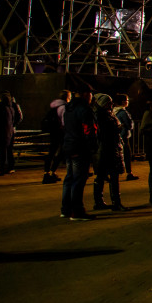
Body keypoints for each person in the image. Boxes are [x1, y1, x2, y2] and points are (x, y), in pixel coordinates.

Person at [60, 84, 98, 220]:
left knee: (69, 178)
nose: (91, 96)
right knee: (78, 179)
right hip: (80, 147)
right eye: (90, 94)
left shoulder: (68, 108)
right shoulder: (84, 109)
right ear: (85, 94)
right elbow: (90, 130)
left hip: (69, 145)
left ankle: (66, 209)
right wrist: (92, 146)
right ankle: (77, 211)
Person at [91, 94, 128, 211]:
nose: (111, 104)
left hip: (106, 149)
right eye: (109, 102)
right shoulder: (102, 116)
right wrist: (118, 128)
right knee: (111, 176)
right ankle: (115, 202)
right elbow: (105, 132)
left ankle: (100, 201)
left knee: (103, 176)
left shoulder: (104, 114)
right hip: (107, 149)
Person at [42, 90, 71, 183]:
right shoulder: (64, 107)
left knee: (51, 152)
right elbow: (64, 122)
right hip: (61, 133)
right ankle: (52, 171)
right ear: (67, 98)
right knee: (61, 152)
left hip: (53, 132)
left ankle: (47, 173)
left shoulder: (54, 106)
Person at [0, 92, 22, 175]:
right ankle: (6, 167)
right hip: (9, 133)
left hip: (0, 132)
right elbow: (17, 119)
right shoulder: (11, 108)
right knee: (6, 151)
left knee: (2, 151)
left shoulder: (0, 108)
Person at [113, 94, 138, 182]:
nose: (128, 102)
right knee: (127, 155)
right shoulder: (123, 112)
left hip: (116, 136)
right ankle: (129, 173)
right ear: (123, 102)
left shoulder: (113, 111)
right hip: (124, 136)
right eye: (127, 100)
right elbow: (130, 125)